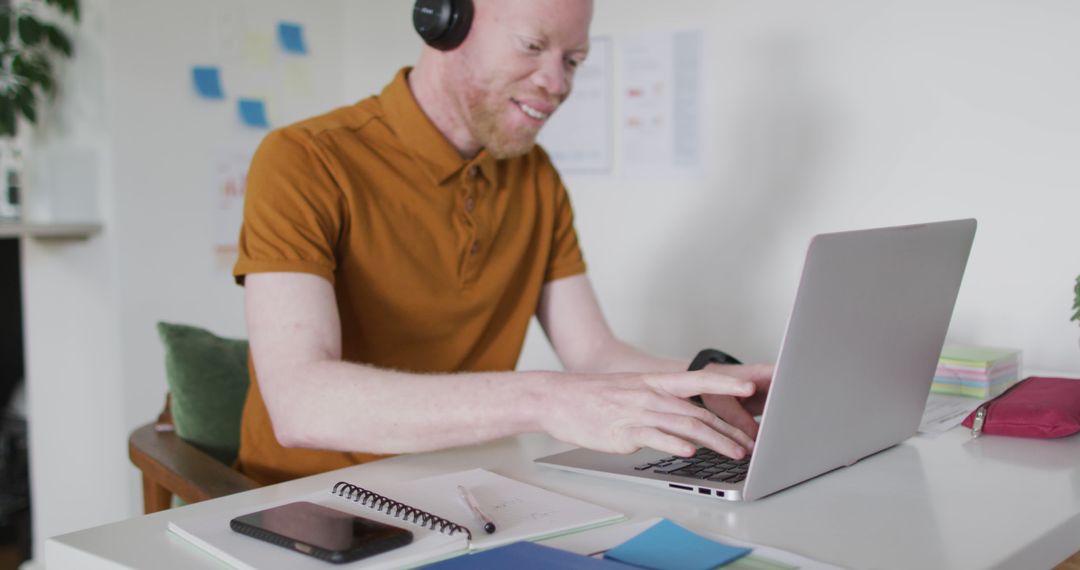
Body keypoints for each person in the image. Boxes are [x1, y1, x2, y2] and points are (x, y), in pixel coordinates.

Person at [232, 0, 773, 486]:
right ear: (443, 21)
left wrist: (707, 386)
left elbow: (593, 353)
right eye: (533, 46)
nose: (557, 83)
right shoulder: (303, 159)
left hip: (464, 484)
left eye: (573, 60)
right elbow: (300, 403)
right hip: (303, 501)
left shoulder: (536, 176)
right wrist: (545, 399)